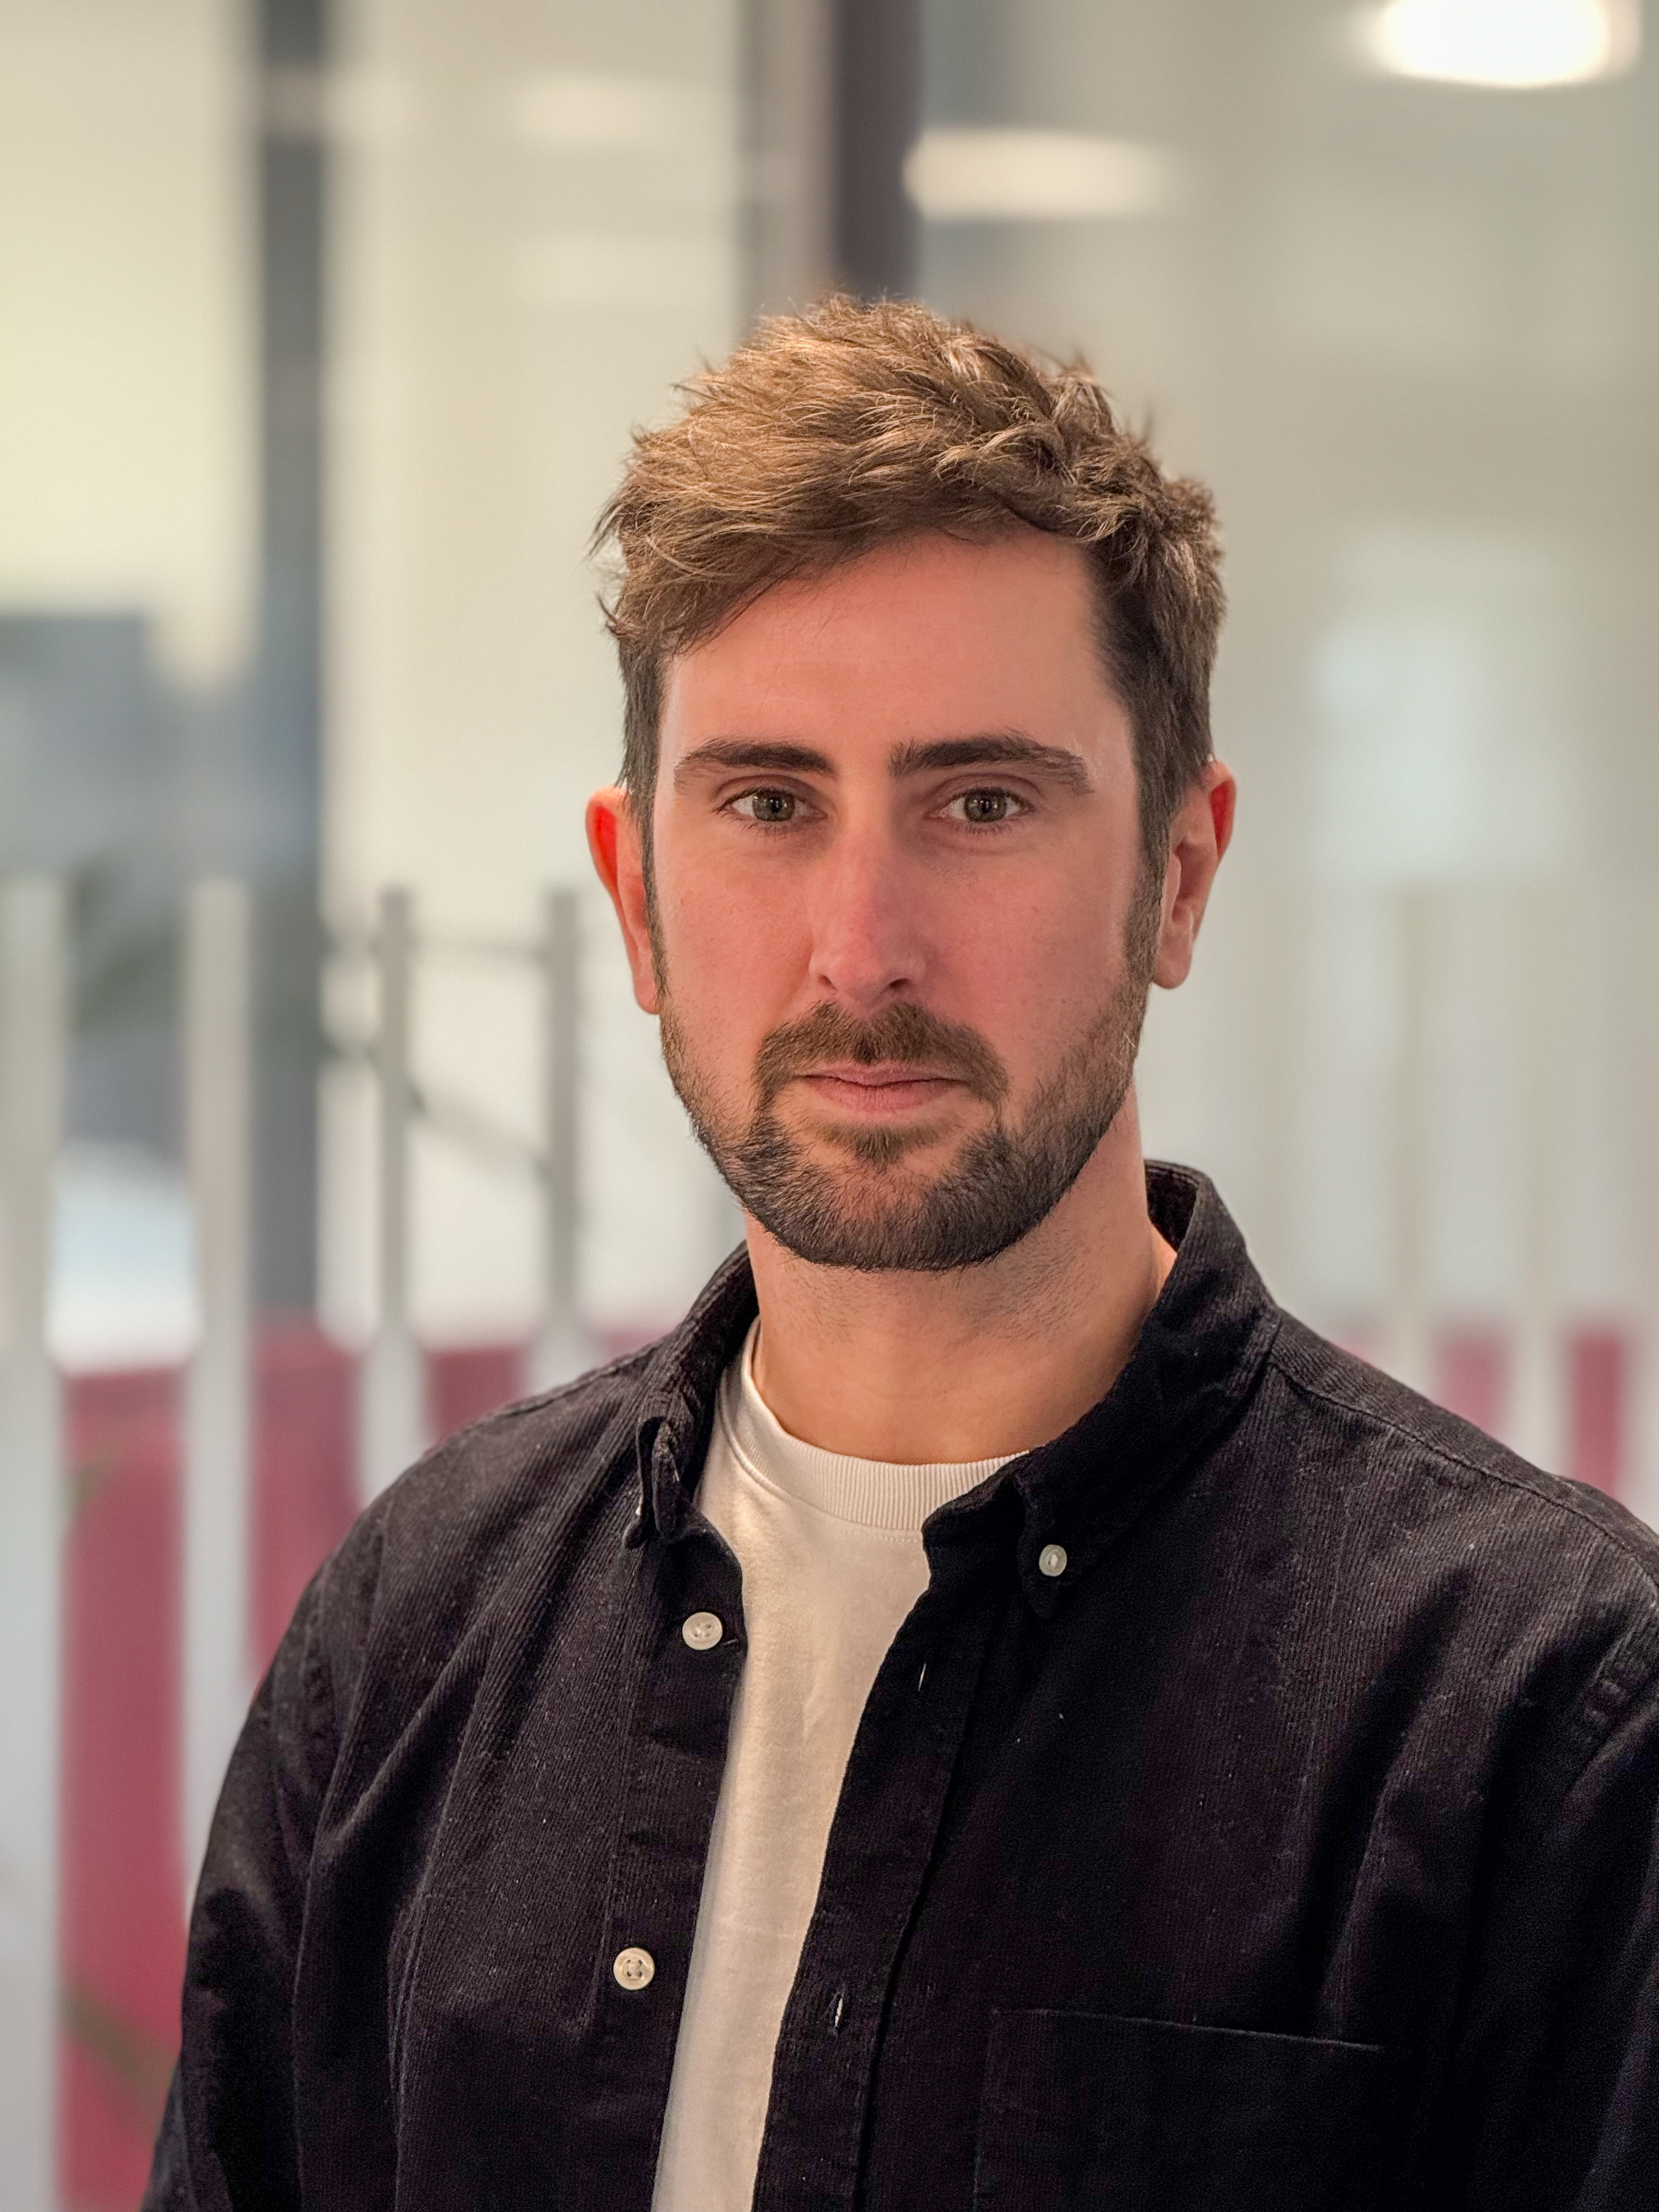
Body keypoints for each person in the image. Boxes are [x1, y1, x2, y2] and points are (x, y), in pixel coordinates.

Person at [144, 297, 1659, 2212]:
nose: (863, 947)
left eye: (983, 803)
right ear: (636, 897)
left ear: (1179, 876)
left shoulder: (1537, 1710)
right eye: (769, 804)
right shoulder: (414, 1627)